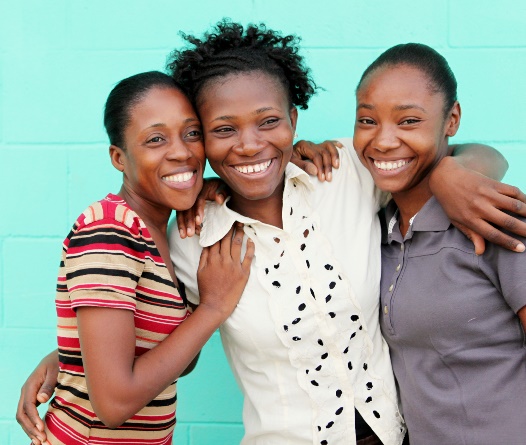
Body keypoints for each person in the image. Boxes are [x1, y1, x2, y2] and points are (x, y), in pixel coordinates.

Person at [17, 21, 526, 445]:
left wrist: (453, 175)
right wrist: (71, 356)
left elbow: (439, 153)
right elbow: (167, 346)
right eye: (223, 129)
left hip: (397, 433)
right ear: (205, 139)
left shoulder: (346, 172)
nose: (249, 145)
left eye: (268, 122)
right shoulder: (195, 237)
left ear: (293, 119)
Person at [25, 71, 255, 445]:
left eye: (192, 132)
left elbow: (177, 360)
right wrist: (213, 307)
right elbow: (114, 405)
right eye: (155, 139)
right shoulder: (110, 232)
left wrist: (70, 357)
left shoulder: (158, 233)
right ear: (119, 157)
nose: (182, 151)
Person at [352, 43, 526, 445]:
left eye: (408, 120)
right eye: (367, 120)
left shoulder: (496, 223)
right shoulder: (374, 231)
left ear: (452, 120)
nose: (383, 141)